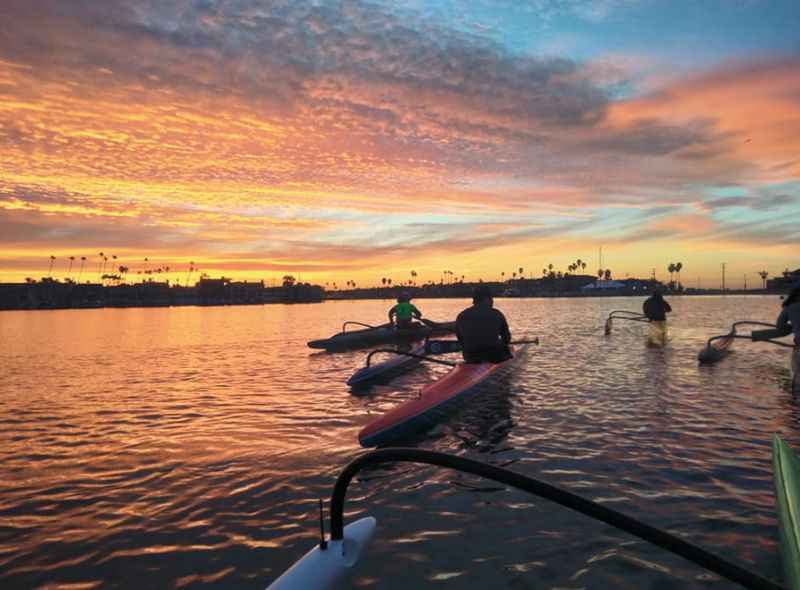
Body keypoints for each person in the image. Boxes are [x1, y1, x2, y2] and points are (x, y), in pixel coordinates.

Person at [455, 285, 512, 363]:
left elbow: (461, 340)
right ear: (486, 299)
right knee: (504, 350)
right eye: (491, 298)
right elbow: (506, 339)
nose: (492, 300)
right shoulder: (497, 314)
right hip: (494, 356)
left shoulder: (461, 315)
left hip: (471, 356)